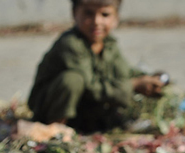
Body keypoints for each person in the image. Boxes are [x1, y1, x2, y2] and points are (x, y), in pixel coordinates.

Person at [27, 0, 164, 133]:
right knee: (72, 79)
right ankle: (55, 131)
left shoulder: (109, 44)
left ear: (116, 18)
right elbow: (92, 88)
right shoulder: (70, 44)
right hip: (48, 110)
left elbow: (123, 75)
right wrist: (133, 85)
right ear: (75, 13)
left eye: (105, 15)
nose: (96, 21)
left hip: (84, 111)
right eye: (88, 13)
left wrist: (147, 81)